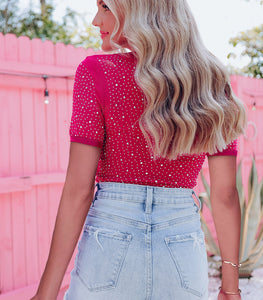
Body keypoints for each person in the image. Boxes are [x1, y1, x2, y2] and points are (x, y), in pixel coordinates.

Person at [31, 0, 246, 299]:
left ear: (138, 8)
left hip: (108, 244)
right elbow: (224, 195)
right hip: (182, 247)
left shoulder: (96, 71)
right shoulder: (213, 82)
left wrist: (45, 293)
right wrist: (231, 288)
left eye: (105, 6)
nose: (96, 20)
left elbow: (78, 191)